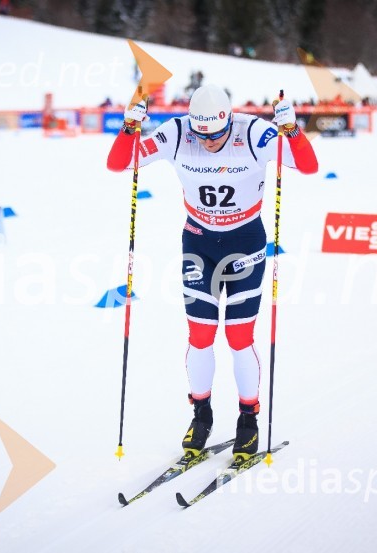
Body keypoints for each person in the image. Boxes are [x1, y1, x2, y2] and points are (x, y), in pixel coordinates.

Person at [106, 84, 318, 462]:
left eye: (216, 136)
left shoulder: (253, 132)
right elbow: (120, 164)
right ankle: (201, 415)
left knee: (239, 336)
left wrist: (292, 131)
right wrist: (128, 128)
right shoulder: (177, 132)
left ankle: (248, 419)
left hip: (245, 244)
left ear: (228, 122)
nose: (208, 143)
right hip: (199, 243)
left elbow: (308, 166)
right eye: (201, 135)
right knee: (201, 334)